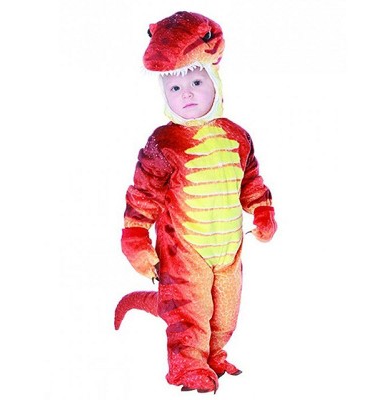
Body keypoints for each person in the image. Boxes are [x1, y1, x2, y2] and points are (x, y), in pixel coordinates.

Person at [115, 11, 277, 393]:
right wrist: (135, 238)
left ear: (215, 82)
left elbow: (251, 182)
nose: (186, 93)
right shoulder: (162, 143)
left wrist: (263, 210)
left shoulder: (238, 136)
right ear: (164, 95)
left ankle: (213, 354)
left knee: (225, 311)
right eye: (175, 87)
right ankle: (187, 366)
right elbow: (142, 196)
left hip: (228, 250)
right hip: (184, 252)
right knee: (189, 313)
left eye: (197, 81)